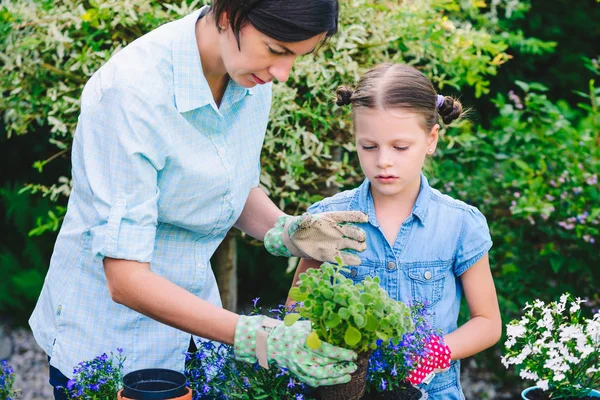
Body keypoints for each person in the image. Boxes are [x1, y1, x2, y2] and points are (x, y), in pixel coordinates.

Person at [28, 1, 369, 398]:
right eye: (277, 50)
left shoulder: (249, 79)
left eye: (297, 56)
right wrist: (259, 338)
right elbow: (124, 279)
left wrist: (288, 230)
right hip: (111, 344)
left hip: (194, 335)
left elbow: (229, 186)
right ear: (228, 16)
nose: (283, 72)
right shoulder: (130, 93)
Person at [288, 63, 502, 399]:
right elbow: (296, 312)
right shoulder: (329, 218)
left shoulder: (460, 223)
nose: (384, 161)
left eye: (400, 147)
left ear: (431, 140)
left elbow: (488, 322)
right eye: (369, 147)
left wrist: (432, 354)